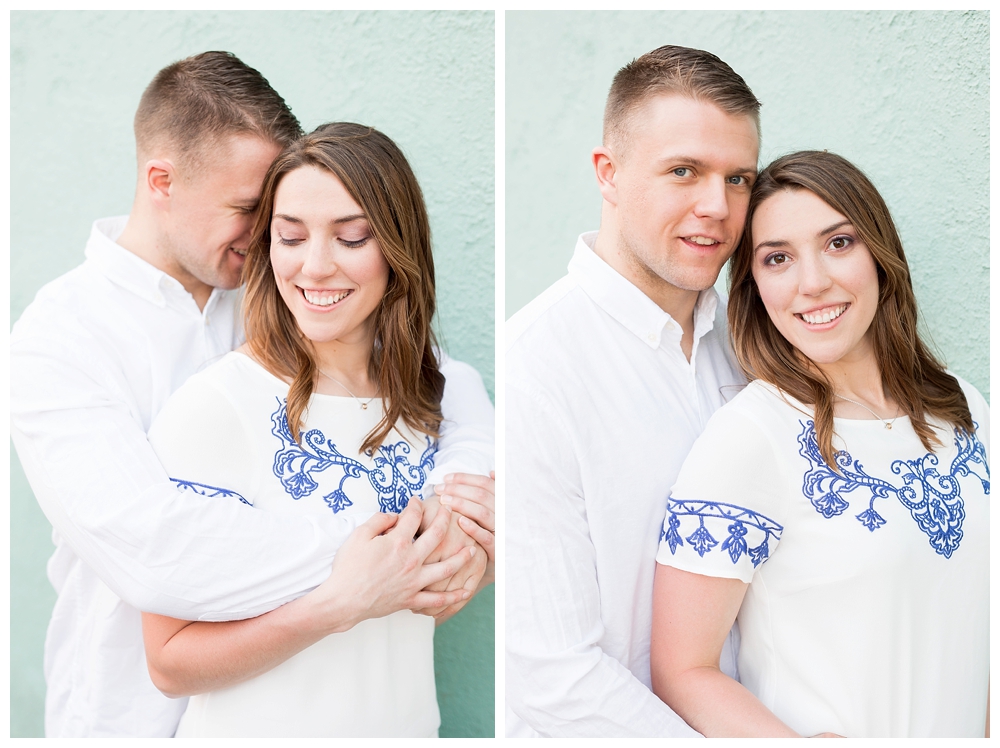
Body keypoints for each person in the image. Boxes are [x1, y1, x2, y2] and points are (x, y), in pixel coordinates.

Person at [10, 51, 495, 738]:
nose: (279, 241)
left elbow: (443, 383)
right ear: (161, 182)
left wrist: (467, 508)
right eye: (253, 211)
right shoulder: (62, 337)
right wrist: (389, 550)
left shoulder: (281, 289)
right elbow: (156, 546)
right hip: (129, 715)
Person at [137, 122, 487, 738]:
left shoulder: (433, 399)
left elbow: (403, 611)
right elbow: (169, 662)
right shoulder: (216, 408)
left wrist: (469, 561)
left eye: (352, 238)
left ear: (398, 248)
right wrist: (338, 606)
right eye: (290, 237)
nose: (315, 266)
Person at [650, 151, 989, 738]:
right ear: (754, 285)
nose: (813, 283)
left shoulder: (963, 407)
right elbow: (682, 669)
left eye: (838, 243)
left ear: (879, 253)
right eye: (777, 258)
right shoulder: (753, 436)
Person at [505, 45, 759, 736]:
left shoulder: (757, 349)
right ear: (608, 174)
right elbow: (551, 675)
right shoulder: (535, 367)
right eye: (685, 171)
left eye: (739, 179)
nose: (718, 206)